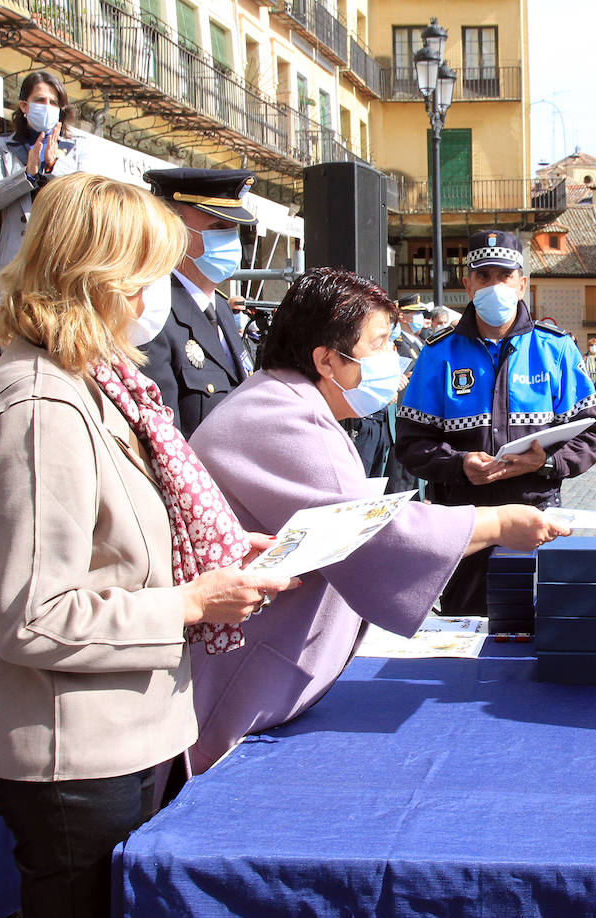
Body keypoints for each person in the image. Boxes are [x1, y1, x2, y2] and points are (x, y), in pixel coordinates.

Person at [0, 173, 295, 917]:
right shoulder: (43, 406)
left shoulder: (94, 384)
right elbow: (35, 615)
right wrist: (191, 601)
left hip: (122, 734)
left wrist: (225, 550)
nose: (156, 300)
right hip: (74, 750)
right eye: (148, 278)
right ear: (99, 281)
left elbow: (119, 537)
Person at [187, 268, 570, 770]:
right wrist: (496, 524)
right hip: (241, 683)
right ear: (327, 360)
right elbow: (368, 536)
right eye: (380, 343)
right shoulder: (279, 417)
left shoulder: (286, 401)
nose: (393, 358)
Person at [396, 230, 596, 615]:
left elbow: (590, 436)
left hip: (535, 520)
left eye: (504, 275)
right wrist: (458, 465)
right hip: (463, 527)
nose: (495, 286)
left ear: (522, 283)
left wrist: (543, 462)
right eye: (484, 276)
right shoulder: (437, 354)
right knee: (464, 639)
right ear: (468, 284)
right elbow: (410, 444)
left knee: (536, 636)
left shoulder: (555, 348)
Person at [138, 167, 256, 437]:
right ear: (172, 229)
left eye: (233, 229)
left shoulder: (221, 312)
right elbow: (164, 443)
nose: (230, 239)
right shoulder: (153, 316)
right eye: (217, 227)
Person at [0, 70, 90, 330]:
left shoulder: (77, 149)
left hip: (60, 260)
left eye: (54, 103)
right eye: (40, 101)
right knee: (11, 341)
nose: (47, 107)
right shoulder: (3, 146)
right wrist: (27, 175)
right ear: (24, 106)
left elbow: (85, 199)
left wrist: (52, 167)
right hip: (15, 262)